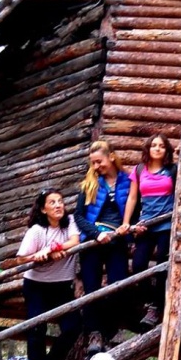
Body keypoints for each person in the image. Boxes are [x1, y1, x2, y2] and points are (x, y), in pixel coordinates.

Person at [16, 190, 81, 360]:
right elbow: (20, 259)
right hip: (37, 285)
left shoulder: (69, 221)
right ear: (43, 209)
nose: (58, 205)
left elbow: (74, 241)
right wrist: (37, 256)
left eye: (60, 201)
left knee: (73, 326)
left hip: (62, 285)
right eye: (52, 203)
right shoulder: (36, 230)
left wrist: (54, 249)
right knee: (36, 327)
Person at [75, 140, 132, 341]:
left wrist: (131, 227)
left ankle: (108, 329)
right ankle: (94, 333)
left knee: (118, 286)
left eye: (99, 161)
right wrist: (95, 233)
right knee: (91, 288)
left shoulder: (128, 181)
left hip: (117, 241)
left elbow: (135, 209)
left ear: (112, 157)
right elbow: (79, 216)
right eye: (93, 163)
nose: (97, 166)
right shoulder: (88, 185)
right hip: (93, 243)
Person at [122, 135, 176, 328]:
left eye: (161, 146)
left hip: (167, 225)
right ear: (148, 149)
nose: (157, 148)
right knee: (138, 265)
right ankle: (149, 301)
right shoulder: (138, 170)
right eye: (154, 145)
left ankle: (155, 307)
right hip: (146, 225)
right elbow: (132, 198)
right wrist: (129, 223)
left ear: (166, 150)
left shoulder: (172, 170)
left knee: (162, 264)